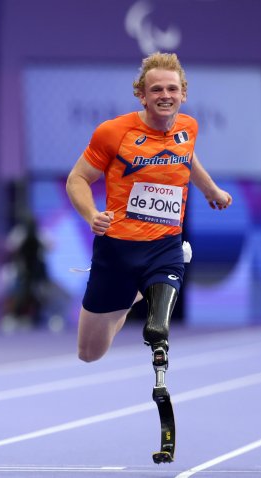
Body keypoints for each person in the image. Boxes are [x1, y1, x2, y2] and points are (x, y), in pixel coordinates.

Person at [66, 52, 231, 366]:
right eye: (156, 90)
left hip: (165, 245)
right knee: (89, 353)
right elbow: (77, 179)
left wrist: (212, 190)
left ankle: (146, 292)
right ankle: (129, 297)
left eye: (172, 89)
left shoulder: (189, 127)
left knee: (158, 323)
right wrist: (91, 215)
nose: (165, 96)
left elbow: (188, 158)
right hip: (117, 250)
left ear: (183, 92)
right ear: (141, 95)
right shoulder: (113, 132)